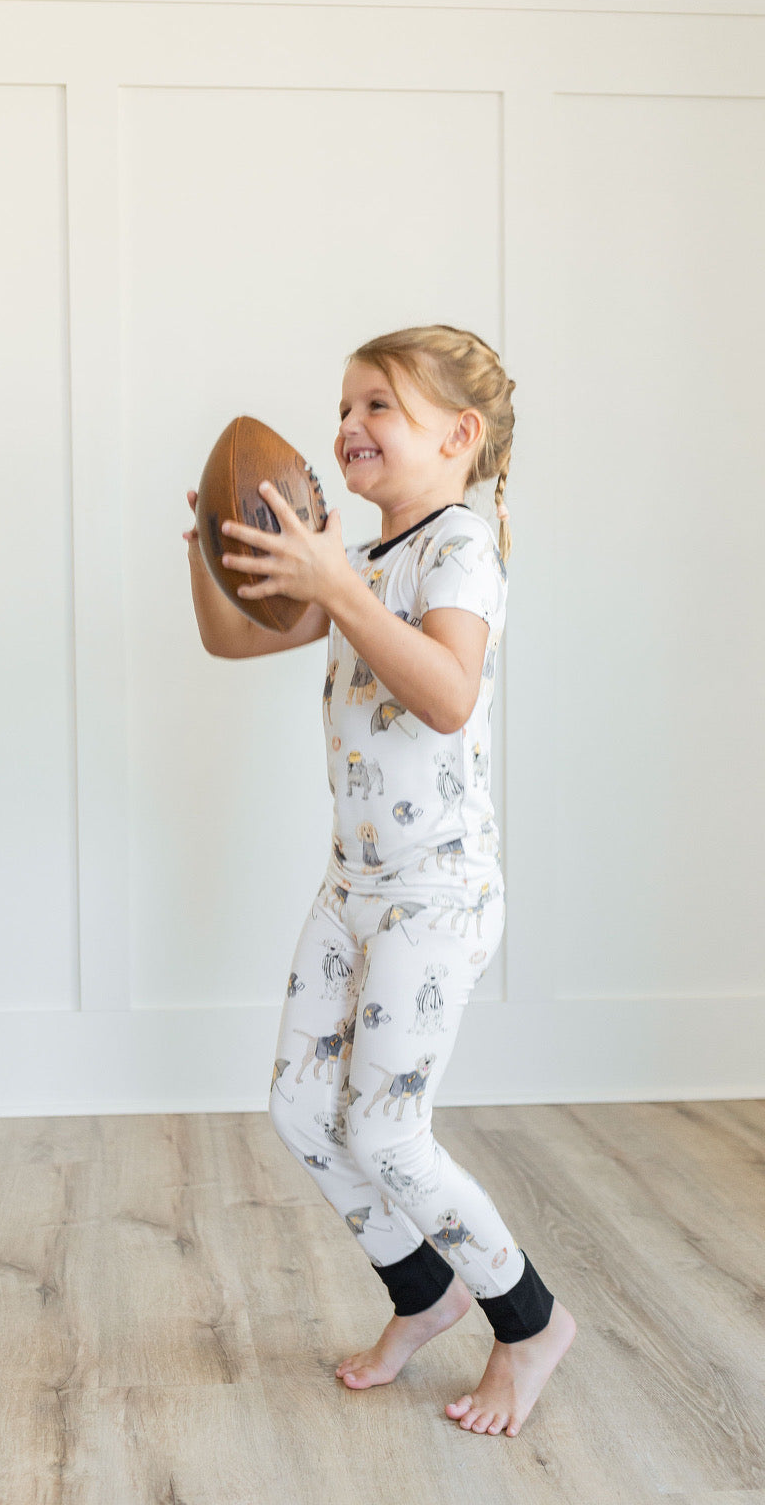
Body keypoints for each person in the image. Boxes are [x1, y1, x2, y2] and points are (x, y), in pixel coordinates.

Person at [183, 324, 575, 1438]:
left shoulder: (458, 550)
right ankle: (425, 1292)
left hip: (435, 894)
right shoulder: (361, 563)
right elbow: (233, 641)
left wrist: (334, 584)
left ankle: (530, 1322)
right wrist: (207, 554)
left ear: (458, 437)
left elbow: (448, 693)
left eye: (379, 408)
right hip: (354, 885)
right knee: (302, 1110)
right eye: (343, 407)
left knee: (390, 1134)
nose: (348, 428)